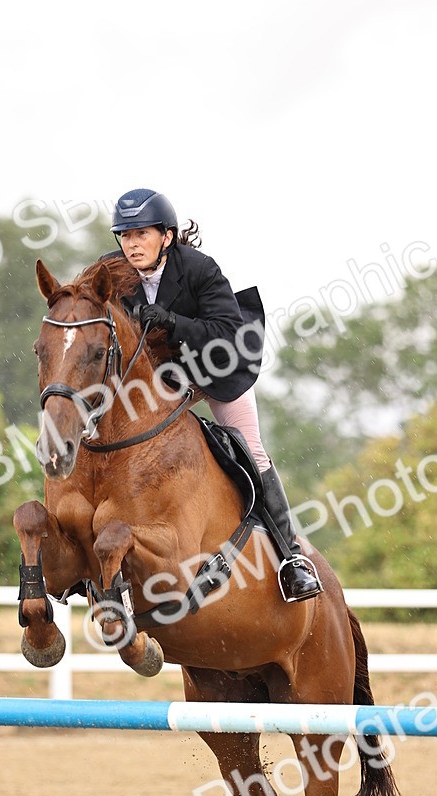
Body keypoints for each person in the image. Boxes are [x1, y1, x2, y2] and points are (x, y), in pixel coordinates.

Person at [107, 188, 322, 604]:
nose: (131, 244)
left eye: (141, 234)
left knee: (251, 450)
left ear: (166, 236)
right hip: (162, 378)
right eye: (125, 235)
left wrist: (174, 321)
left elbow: (227, 332)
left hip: (217, 365)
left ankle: (290, 559)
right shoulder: (112, 271)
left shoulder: (200, 269)